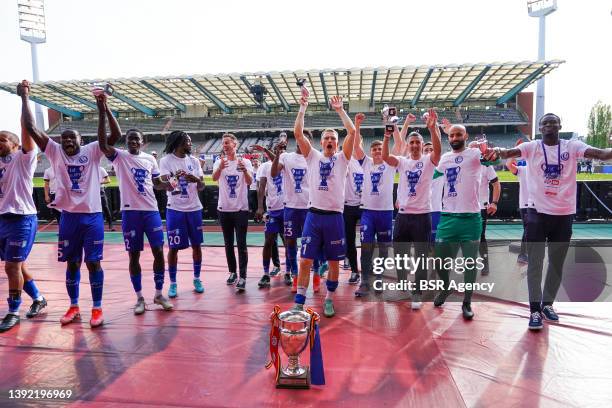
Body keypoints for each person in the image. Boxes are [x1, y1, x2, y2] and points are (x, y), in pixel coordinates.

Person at [492, 113, 612, 330]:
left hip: (564, 214)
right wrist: (495, 152)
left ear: (560, 125)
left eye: (553, 122)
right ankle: (534, 310)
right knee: (535, 263)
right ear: (539, 127)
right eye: (545, 122)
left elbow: (602, 154)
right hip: (537, 213)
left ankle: (548, 305)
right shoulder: (532, 147)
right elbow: (507, 153)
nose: (549, 125)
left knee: (556, 263)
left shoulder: (572, 146)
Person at [19, 80, 116, 328]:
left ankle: (97, 308)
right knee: (72, 262)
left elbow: (113, 137)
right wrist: (25, 97)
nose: (67, 142)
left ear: (80, 139)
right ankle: (73, 306)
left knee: (93, 262)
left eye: (72, 138)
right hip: (69, 217)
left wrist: (103, 109)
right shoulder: (54, 152)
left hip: (92, 216)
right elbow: (31, 127)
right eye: (64, 139)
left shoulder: (93, 150)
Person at [95, 94, 173, 314]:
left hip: (151, 211)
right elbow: (102, 144)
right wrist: (104, 109)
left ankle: (159, 293)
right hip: (130, 213)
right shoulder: (119, 156)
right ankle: (139, 298)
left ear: (142, 140)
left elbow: (157, 183)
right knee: (134, 255)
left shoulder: (150, 159)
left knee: (158, 250)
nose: (133, 143)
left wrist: (167, 184)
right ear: (126, 142)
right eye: (129, 140)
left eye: (136, 139)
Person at [292, 94, 356, 317]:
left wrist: (340, 110)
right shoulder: (313, 156)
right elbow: (298, 134)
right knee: (305, 260)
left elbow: (353, 133)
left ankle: (329, 298)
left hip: (334, 217)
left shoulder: (342, 159)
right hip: (314, 215)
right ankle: (299, 301)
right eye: (326, 138)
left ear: (337, 144)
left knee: (334, 262)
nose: (329, 141)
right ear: (321, 142)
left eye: (333, 138)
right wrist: (302, 107)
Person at [432, 123, 499, 320]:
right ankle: (446, 288)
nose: (454, 138)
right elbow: (433, 177)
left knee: (470, 263)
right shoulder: (445, 158)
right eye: (451, 135)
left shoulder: (475, 154)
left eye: (458, 134)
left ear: (465, 136)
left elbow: (490, 159)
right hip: (448, 218)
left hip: (471, 218)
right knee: (440, 261)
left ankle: (467, 301)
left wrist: (489, 153)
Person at [381, 109, 442, 308]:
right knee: (400, 254)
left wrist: (433, 129)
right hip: (403, 216)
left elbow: (438, 151)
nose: (415, 145)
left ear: (421, 145)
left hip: (422, 216)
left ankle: (417, 292)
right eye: (412, 142)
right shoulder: (403, 161)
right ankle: (402, 284)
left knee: (421, 257)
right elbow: (385, 157)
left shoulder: (428, 161)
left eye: (418, 142)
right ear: (408, 146)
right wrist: (386, 136)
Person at [0, 126, 47, 333]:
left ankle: (13, 312)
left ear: (16, 145)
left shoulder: (23, 158)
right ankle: (38, 298)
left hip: (21, 218)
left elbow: (27, 131)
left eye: (2, 139)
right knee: (18, 267)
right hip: (3, 218)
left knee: (11, 267)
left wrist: (24, 98)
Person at [353, 113, 398, 297]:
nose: (378, 152)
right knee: (366, 246)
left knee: (384, 248)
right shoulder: (365, 163)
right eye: (375, 149)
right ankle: (364, 280)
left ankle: (379, 277)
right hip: (368, 212)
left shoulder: (390, 163)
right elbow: (356, 146)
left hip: (386, 212)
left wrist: (392, 125)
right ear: (371, 152)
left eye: (380, 149)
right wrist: (357, 125)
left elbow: (400, 145)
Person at [159, 131, 206, 298]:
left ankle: (197, 278)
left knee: (197, 245)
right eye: (188, 141)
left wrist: (197, 180)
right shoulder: (166, 161)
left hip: (194, 208)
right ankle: (172, 283)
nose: (190, 144)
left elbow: (202, 186)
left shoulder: (194, 161)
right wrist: (176, 178)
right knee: (173, 247)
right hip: (175, 209)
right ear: (179, 142)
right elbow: (167, 186)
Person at [271, 131, 312, 293]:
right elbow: (274, 174)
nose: (302, 141)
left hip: (309, 207)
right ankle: (295, 274)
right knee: (290, 241)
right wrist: (276, 155)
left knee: (310, 242)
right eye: (300, 137)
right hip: (291, 206)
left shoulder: (313, 157)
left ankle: (312, 274)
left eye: (306, 138)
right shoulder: (286, 157)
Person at [213, 133, 253, 292]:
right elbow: (215, 177)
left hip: (240, 209)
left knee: (241, 244)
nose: (225, 145)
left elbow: (250, 182)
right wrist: (221, 168)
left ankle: (243, 276)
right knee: (228, 243)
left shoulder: (245, 162)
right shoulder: (219, 162)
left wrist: (244, 171)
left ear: (235, 145)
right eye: (223, 143)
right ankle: (233, 272)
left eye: (228, 143)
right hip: (224, 209)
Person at [255, 144, 289, 288]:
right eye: (277, 150)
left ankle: (288, 271)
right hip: (272, 209)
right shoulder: (265, 166)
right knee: (268, 241)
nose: (280, 152)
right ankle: (265, 273)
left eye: (282, 150)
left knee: (288, 241)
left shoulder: (287, 162)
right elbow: (261, 186)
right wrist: (260, 207)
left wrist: (271, 152)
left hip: (287, 208)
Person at [343, 134, 364, 286]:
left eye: (358, 141)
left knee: (367, 240)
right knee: (349, 240)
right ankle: (354, 270)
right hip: (348, 205)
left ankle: (368, 271)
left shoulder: (368, 161)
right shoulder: (347, 160)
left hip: (365, 206)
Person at [505, 139, 530, 265]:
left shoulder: (541, 169)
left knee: (533, 229)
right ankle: (523, 254)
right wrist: (515, 151)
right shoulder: (523, 170)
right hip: (526, 204)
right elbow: (509, 164)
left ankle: (527, 253)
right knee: (528, 229)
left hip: (540, 204)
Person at [477, 159, 500, 275]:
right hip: (464, 207)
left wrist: (494, 202)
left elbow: (496, 183)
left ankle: (485, 263)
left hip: (481, 206)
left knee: (481, 237)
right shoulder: (463, 164)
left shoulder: (485, 166)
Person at [99, 166, 115, 231]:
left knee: (105, 206)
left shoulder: (101, 169)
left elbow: (108, 180)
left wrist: (99, 182)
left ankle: (110, 224)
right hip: (91, 191)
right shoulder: (89, 168)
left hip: (100, 189)